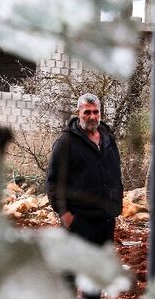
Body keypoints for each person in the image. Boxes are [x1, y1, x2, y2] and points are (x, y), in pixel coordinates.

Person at [46, 93, 123, 247]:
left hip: (106, 221)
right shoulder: (65, 143)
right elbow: (53, 183)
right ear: (78, 113)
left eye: (95, 112)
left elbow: (115, 172)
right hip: (79, 223)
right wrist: (66, 217)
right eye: (87, 112)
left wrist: (116, 202)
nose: (92, 116)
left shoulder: (108, 139)